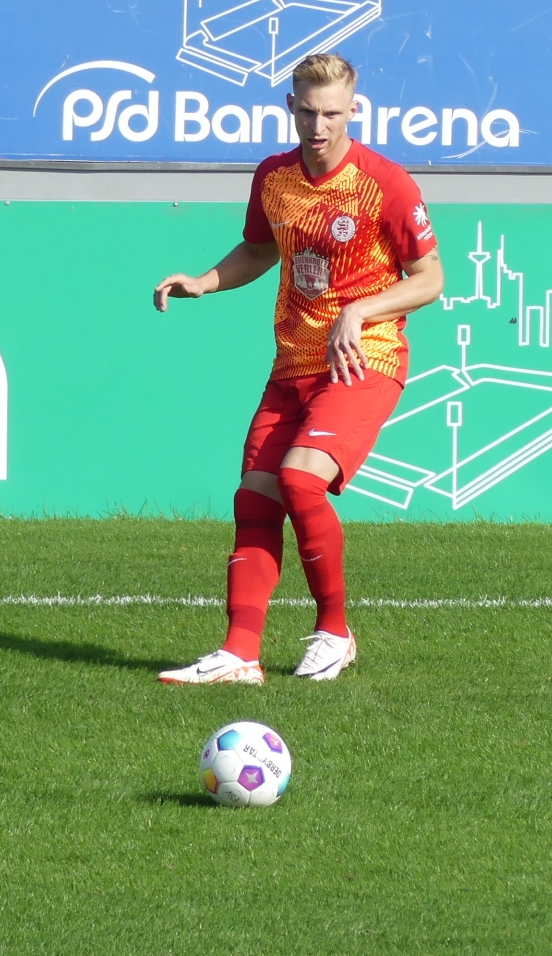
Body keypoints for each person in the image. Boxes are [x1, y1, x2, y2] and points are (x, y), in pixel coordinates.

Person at [152, 53, 443, 684]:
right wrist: (204, 281)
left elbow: (430, 279)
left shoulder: (385, 184)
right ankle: (240, 654)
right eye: (308, 112)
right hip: (292, 362)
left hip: (364, 360)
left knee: (300, 480)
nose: (319, 126)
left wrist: (361, 310)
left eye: (332, 113)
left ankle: (334, 633)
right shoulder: (274, 177)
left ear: (353, 110)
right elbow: (259, 249)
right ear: (291, 106)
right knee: (255, 496)